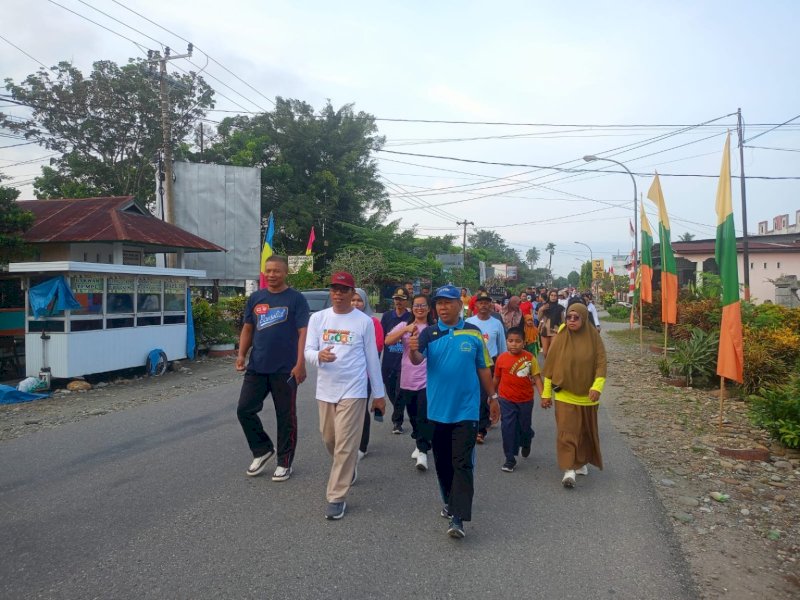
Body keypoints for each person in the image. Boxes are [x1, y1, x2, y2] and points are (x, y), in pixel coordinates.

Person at [408, 285, 498, 539]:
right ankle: (449, 502)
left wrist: (492, 397)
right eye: (439, 303)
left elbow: (483, 368)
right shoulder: (430, 334)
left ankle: (458, 517)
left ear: (460, 305)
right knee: (444, 463)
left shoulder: (473, 333)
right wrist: (412, 348)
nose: (442, 307)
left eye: (448, 302)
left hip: (466, 412)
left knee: (462, 463)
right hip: (437, 411)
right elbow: (417, 360)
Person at [305, 272, 386, 520]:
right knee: (329, 438)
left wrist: (379, 395)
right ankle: (348, 468)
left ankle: (336, 496)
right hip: (326, 390)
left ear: (353, 293)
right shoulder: (318, 319)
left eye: (343, 289)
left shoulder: (363, 322)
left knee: (344, 444)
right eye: (334, 289)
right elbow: (308, 350)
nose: (338, 294)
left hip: (354, 389)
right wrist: (320, 356)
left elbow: (373, 358)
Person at [235, 255, 310, 482]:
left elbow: (303, 333)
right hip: (257, 366)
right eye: (268, 271)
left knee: (285, 416)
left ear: (286, 273)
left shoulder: (296, 299)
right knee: (244, 410)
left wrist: (300, 363)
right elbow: (248, 328)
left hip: (285, 370)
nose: (271, 275)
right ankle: (262, 449)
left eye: (276, 271)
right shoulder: (257, 298)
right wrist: (241, 354)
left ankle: (284, 462)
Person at [540, 303, 607, 489]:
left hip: (588, 396)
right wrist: (546, 394)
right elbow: (550, 368)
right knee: (567, 431)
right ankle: (569, 469)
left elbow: (601, 364)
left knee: (584, 432)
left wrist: (597, 387)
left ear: (584, 318)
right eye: (568, 317)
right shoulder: (561, 337)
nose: (571, 321)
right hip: (564, 394)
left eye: (576, 317)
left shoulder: (593, 337)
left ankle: (580, 461)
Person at [384, 294, 434, 471]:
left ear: (429, 308)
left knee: (423, 414)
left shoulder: (433, 328)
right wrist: (406, 329)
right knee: (412, 415)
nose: (419, 308)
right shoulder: (405, 326)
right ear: (412, 308)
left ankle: (422, 451)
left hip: (428, 378)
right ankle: (419, 440)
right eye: (416, 305)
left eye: (423, 305)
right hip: (407, 377)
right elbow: (388, 341)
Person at [493, 327, 544, 472]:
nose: (514, 344)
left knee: (524, 427)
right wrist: (492, 396)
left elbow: (537, 378)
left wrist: (544, 396)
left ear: (524, 342)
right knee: (508, 427)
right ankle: (510, 459)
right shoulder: (501, 359)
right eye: (510, 341)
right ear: (506, 342)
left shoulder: (529, 358)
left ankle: (527, 440)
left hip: (525, 400)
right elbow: (496, 378)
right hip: (506, 399)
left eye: (517, 341)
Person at [466, 290, 507, 444]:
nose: (483, 305)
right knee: (471, 395)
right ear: (475, 305)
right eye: (480, 302)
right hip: (471, 363)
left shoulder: (496, 323)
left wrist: (502, 366)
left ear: (491, 305)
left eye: (486, 302)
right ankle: (470, 423)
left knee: (484, 396)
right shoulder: (469, 322)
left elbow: (502, 346)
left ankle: (480, 430)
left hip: (489, 364)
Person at [351, 289, 384, 460]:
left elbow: (376, 348)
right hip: (347, 375)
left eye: (359, 300)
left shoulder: (372, 322)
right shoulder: (345, 321)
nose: (355, 303)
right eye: (353, 300)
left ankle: (362, 446)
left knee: (361, 410)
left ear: (365, 302)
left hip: (365, 375)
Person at [380, 287, 412, 434]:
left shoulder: (410, 318)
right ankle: (398, 408)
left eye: (402, 299)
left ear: (407, 301)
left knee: (400, 392)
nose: (398, 302)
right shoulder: (387, 317)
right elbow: (382, 339)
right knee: (390, 390)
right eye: (396, 299)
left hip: (404, 362)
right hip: (388, 360)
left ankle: (397, 422)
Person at [538, 290, 565, 357]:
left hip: (555, 330)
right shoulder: (544, 306)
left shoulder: (560, 308)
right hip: (545, 330)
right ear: (549, 296)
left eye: (555, 295)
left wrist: (560, 329)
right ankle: (548, 367)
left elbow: (563, 321)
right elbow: (539, 318)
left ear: (557, 297)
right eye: (552, 295)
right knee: (545, 353)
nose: (553, 297)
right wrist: (541, 309)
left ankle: (553, 366)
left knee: (552, 352)